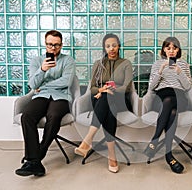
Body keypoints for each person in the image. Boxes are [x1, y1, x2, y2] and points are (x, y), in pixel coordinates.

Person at [15, 30, 76, 177]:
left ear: (61, 45)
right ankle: (35, 163)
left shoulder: (68, 60)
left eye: (56, 45)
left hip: (61, 97)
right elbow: (32, 83)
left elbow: (67, 81)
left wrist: (43, 85)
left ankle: (36, 157)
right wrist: (42, 70)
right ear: (45, 44)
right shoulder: (37, 61)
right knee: (27, 116)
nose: (53, 48)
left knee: (53, 115)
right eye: (50, 44)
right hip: (40, 96)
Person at [74, 34, 133, 173]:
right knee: (107, 104)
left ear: (119, 46)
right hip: (100, 97)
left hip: (121, 99)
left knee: (108, 99)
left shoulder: (126, 63)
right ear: (104, 48)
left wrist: (112, 89)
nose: (111, 48)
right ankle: (112, 156)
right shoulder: (98, 64)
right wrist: (102, 89)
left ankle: (88, 140)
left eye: (114, 45)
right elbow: (92, 88)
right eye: (108, 46)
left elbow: (127, 87)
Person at [143, 37, 192, 174]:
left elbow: (188, 87)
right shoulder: (157, 64)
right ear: (164, 50)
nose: (171, 51)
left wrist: (179, 72)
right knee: (171, 112)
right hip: (161, 97)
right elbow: (152, 87)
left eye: (174, 48)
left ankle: (154, 140)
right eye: (168, 48)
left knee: (171, 101)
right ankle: (168, 155)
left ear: (178, 50)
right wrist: (160, 71)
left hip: (180, 97)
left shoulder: (183, 64)